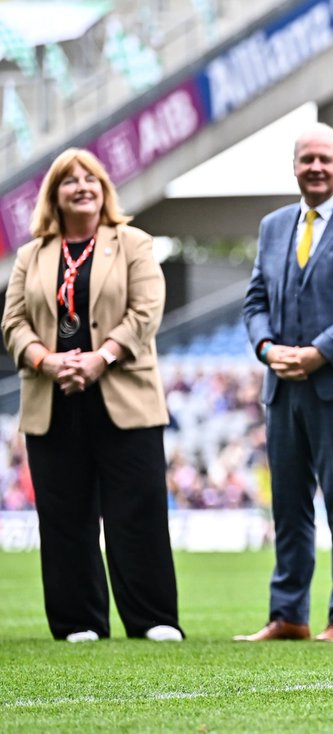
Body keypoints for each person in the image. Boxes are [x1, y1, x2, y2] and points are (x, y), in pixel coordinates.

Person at [1, 148, 183, 643]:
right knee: (63, 515)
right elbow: (12, 323)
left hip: (124, 394)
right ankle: (78, 621)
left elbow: (147, 311)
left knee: (138, 510)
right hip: (52, 397)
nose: (81, 185)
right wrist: (46, 360)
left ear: (104, 189)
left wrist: (99, 358)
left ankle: (153, 619)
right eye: (69, 180)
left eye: (91, 178)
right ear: (54, 196)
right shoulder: (31, 255)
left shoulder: (133, 243)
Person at [238, 123, 333, 643]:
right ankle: (288, 615)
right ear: (295, 166)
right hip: (282, 385)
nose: (316, 167)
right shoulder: (273, 225)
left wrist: (318, 353)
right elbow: (256, 299)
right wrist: (267, 349)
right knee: (287, 504)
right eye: (307, 159)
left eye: (326, 159)